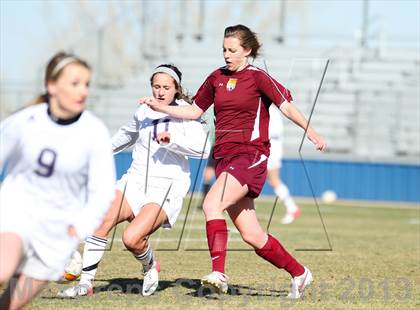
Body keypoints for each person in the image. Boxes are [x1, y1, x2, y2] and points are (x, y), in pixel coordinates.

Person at [141, 25, 327, 299]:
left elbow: (285, 105)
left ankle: (219, 273)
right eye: (224, 50)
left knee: (211, 204)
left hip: (251, 156)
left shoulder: (258, 77)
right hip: (226, 159)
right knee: (253, 236)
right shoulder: (216, 77)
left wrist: (309, 130)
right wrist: (161, 107)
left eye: (233, 50)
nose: (227, 55)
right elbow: (194, 111)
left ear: (247, 50)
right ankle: (300, 273)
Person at [58, 64, 210, 298]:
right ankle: (85, 284)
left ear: (176, 88)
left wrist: (172, 140)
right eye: (156, 86)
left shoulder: (187, 113)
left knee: (132, 239)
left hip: (167, 186)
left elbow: (203, 149)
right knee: (102, 219)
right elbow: (126, 135)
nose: (160, 92)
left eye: (166, 87)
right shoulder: (144, 110)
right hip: (135, 179)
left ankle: (150, 266)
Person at [0, 52, 116, 310]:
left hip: (56, 234)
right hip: (18, 214)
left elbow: (103, 191)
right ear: (51, 86)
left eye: (86, 84)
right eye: (75, 84)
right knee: (3, 269)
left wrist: (82, 225)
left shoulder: (93, 131)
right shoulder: (26, 120)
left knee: (9, 305)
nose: (83, 91)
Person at [267, 104, 301, 224]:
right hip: (272, 145)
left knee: (273, 180)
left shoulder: (269, 110)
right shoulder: (272, 110)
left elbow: (271, 131)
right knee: (271, 180)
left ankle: (292, 208)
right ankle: (292, 207)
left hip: (270, 145)